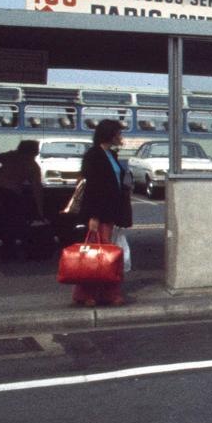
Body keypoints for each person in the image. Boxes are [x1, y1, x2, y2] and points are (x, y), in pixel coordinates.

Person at [73, 120, 133, 307]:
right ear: (110, 134)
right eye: (118, 133)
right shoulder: (94, 155)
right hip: (100, 213)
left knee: (105, 254)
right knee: (99, 255)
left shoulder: (110, 154)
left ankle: (100, 293)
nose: (121, 137)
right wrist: (93, 217)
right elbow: (93, 188)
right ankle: (95, 294)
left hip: (110, 211)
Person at [0, 140, 48, 260]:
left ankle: (7, 248)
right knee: (14, 220)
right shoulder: (32, 165)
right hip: (11, 194)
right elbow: (37, 189)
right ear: (35, 151)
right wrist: (40, 210)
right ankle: (12, 249)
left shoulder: (10, 156)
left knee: (2, 220)